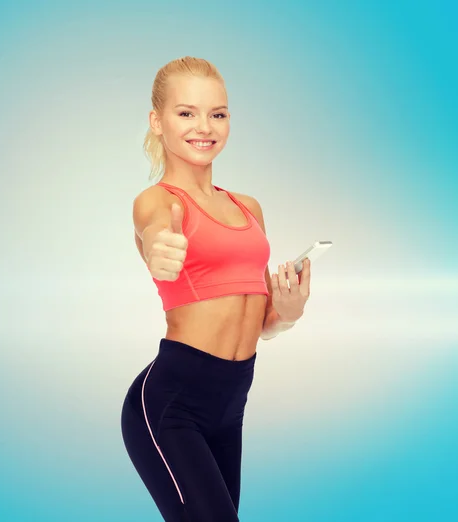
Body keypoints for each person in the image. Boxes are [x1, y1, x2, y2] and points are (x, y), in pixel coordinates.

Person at [120, 56, 312, 522]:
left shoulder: (248, 208)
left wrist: (286, 312)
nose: (204, 126)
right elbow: (153, 233)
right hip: (170, 405)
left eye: (218, 114)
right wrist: (157, 249)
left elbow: (259, 323)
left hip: (231, 406)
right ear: (157, 121)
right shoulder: (159, 201)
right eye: (186, 113)